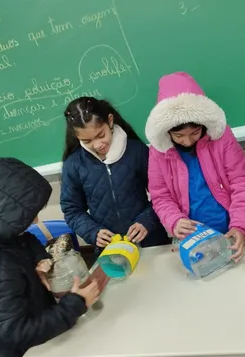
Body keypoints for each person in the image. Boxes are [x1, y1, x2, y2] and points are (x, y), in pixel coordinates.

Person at [0, 157, 100, 357]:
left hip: (45, 336)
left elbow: (25, 239)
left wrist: (38, 259)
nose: (35, 220)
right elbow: (18, 333)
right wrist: (76, 304)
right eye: (30, 215)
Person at [145, 72, 245, 262]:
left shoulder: (221, 137)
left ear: (204, 124)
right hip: (195, 237)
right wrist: (174, 220)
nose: (187, 141)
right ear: (167, 131)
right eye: (179, 136)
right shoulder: (158, 151)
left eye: (195, 133)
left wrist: (239, 225)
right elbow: (160, 196)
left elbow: (242, 182)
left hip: (231, 227)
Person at [60, 97, 169, 251]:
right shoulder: (74, 164)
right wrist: (92, 231)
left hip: (150, 240)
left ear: (110, 121)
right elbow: (72, 210)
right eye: (87, 140)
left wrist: (147, 221)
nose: (97, 145)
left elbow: (163, 194)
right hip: (111, 249)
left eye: (100, 135)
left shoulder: (137, 151)